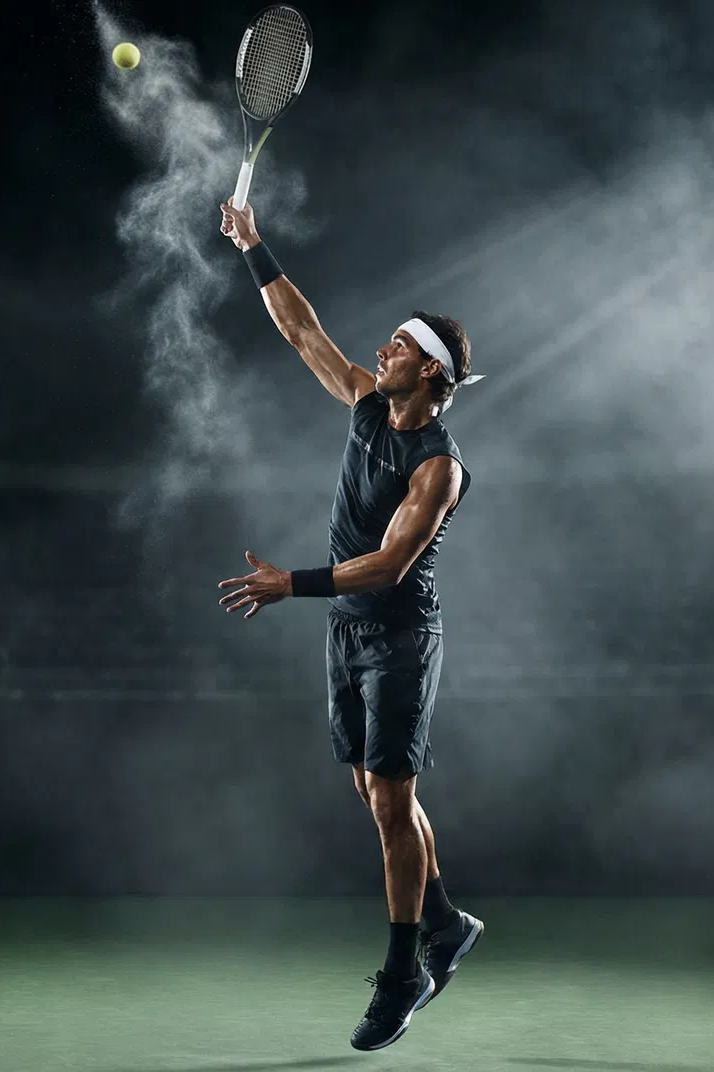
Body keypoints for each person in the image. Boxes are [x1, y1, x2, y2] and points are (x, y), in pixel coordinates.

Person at [214, 198, 486, 1052]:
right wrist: (255, 246)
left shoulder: (439, 468)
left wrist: (287, 583)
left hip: (401, 639)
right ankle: (447, 922)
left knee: (393, 799)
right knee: (373, 794)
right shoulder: (367, 403)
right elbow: (302, 332)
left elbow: (390, 566)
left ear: (434, 373)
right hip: (349, 634)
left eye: (401, 346)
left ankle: (406, 972)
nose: (383, 350)